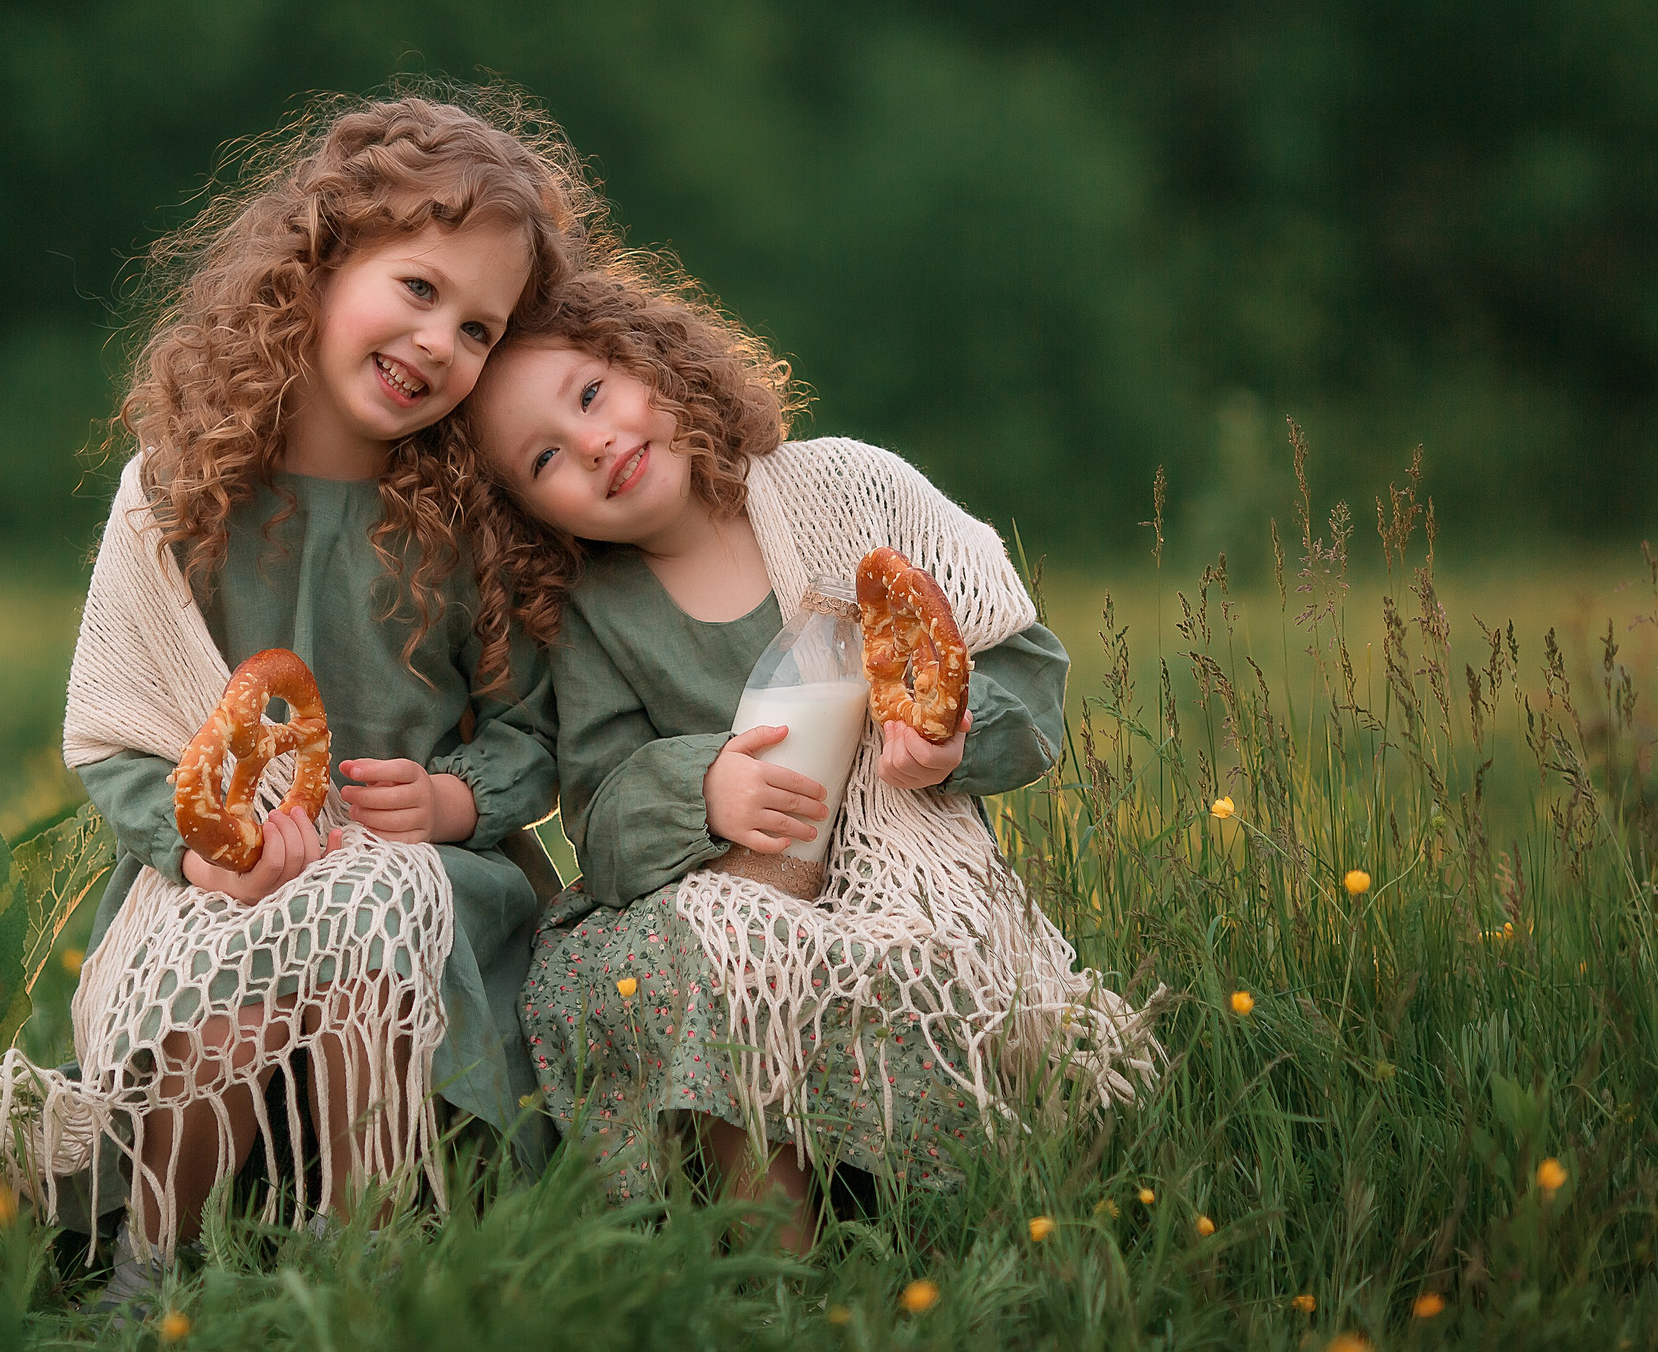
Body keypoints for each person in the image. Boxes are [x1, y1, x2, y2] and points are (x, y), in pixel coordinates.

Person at [449, 265, 1156, 1252]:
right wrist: (706, 785)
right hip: (735, 896)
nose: (596, 443)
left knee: (885, 961)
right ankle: (777, 1247)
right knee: (710, 938)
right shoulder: (592, 614)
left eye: (591, 394)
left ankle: (939, 1217)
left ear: (647, 356)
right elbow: (602, 819)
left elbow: (1020, 666)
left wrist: (952, 738)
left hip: (899, 882)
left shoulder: (847, 488)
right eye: (546, 459)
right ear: (532, 516)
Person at [58, 91, 585, 1261]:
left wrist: (457, 803)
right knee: (220, 992)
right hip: (227, 878)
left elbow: (531, 731)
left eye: (480, 330)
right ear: (319, 260)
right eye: (418, 289)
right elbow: (118, 730)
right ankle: (152, 1264)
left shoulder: (470, 520)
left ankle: (369, 1250)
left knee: (370, 937)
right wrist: (201, 850)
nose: (439, 343)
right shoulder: (178, 493)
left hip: (426, 880)